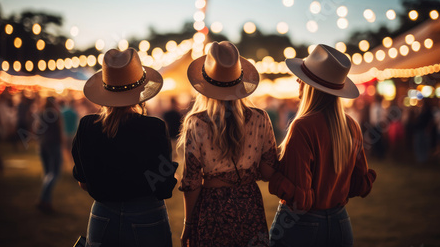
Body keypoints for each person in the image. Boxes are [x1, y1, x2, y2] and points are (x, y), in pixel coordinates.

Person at [268, 44, 377, 247]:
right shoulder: (351, 126)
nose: (297, 81)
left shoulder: (302, 127)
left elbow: (300, 200)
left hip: (303, 227)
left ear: (310, 86)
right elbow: (358, 185)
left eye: (301, 77)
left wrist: (270, 173)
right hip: (340, 223)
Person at [72, 48, 178, 247]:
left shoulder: (87, 125)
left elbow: (83, 182)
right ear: (141, 91)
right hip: (147, 215)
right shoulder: (154, 128)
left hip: (102, 214)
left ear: (105, 90)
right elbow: (163, 188)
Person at [179, 41, 278, 247]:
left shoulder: (196, 123)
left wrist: (188, 223)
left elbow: (192, 182)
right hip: (249, 204)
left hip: (211, 208)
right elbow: (269, 172)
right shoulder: (261, 118)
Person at [36, 96, 63, 213]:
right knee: (54, 173)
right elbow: (60, 129)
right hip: (53, 144)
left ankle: (46, 201)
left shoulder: (42, 113)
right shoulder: (55, 113)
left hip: (43, 144)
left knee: (47, 173)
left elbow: (38, 129)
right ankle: (44, 200)